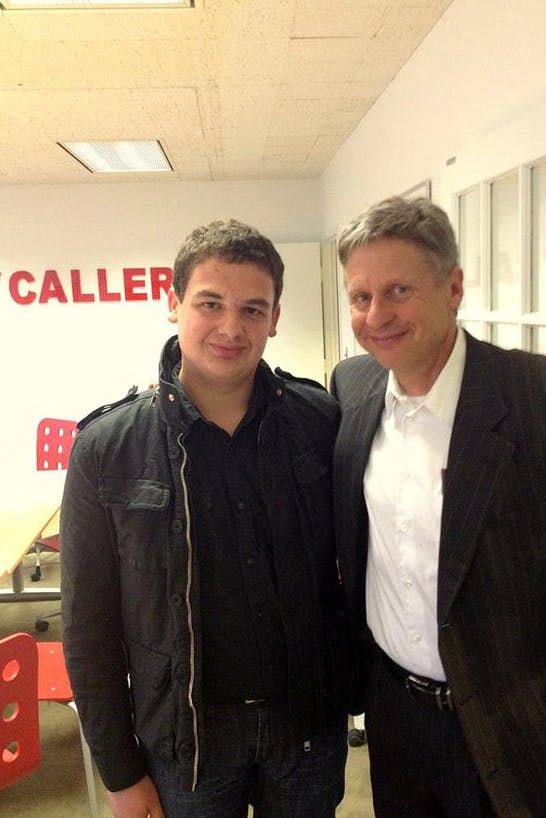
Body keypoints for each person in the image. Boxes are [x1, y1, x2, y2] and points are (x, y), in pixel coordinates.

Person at [330, 195, 546, 818]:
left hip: (520, 727)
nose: (376, 314)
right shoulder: (350, 389)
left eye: (399, 289)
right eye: (360, 296)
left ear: (453, 286)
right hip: (394, 717)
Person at [61, 219, 352, 818]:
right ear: (172, 304)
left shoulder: (321, 423)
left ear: (274, 318)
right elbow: (88, 628)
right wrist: (120, 773)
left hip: (306, 733)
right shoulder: (105, 448)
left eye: (252, 309)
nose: (230, 328)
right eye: (210, 303)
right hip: (185, 744)